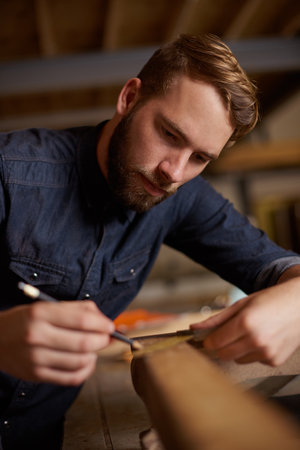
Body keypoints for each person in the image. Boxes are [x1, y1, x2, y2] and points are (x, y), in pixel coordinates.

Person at [0, 33, 299, 449]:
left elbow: (276, 265)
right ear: (129, 97)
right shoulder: (9, 173)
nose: (173, 172)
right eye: (170, 134)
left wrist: (296, 300)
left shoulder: (180, 197)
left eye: (199, 158)